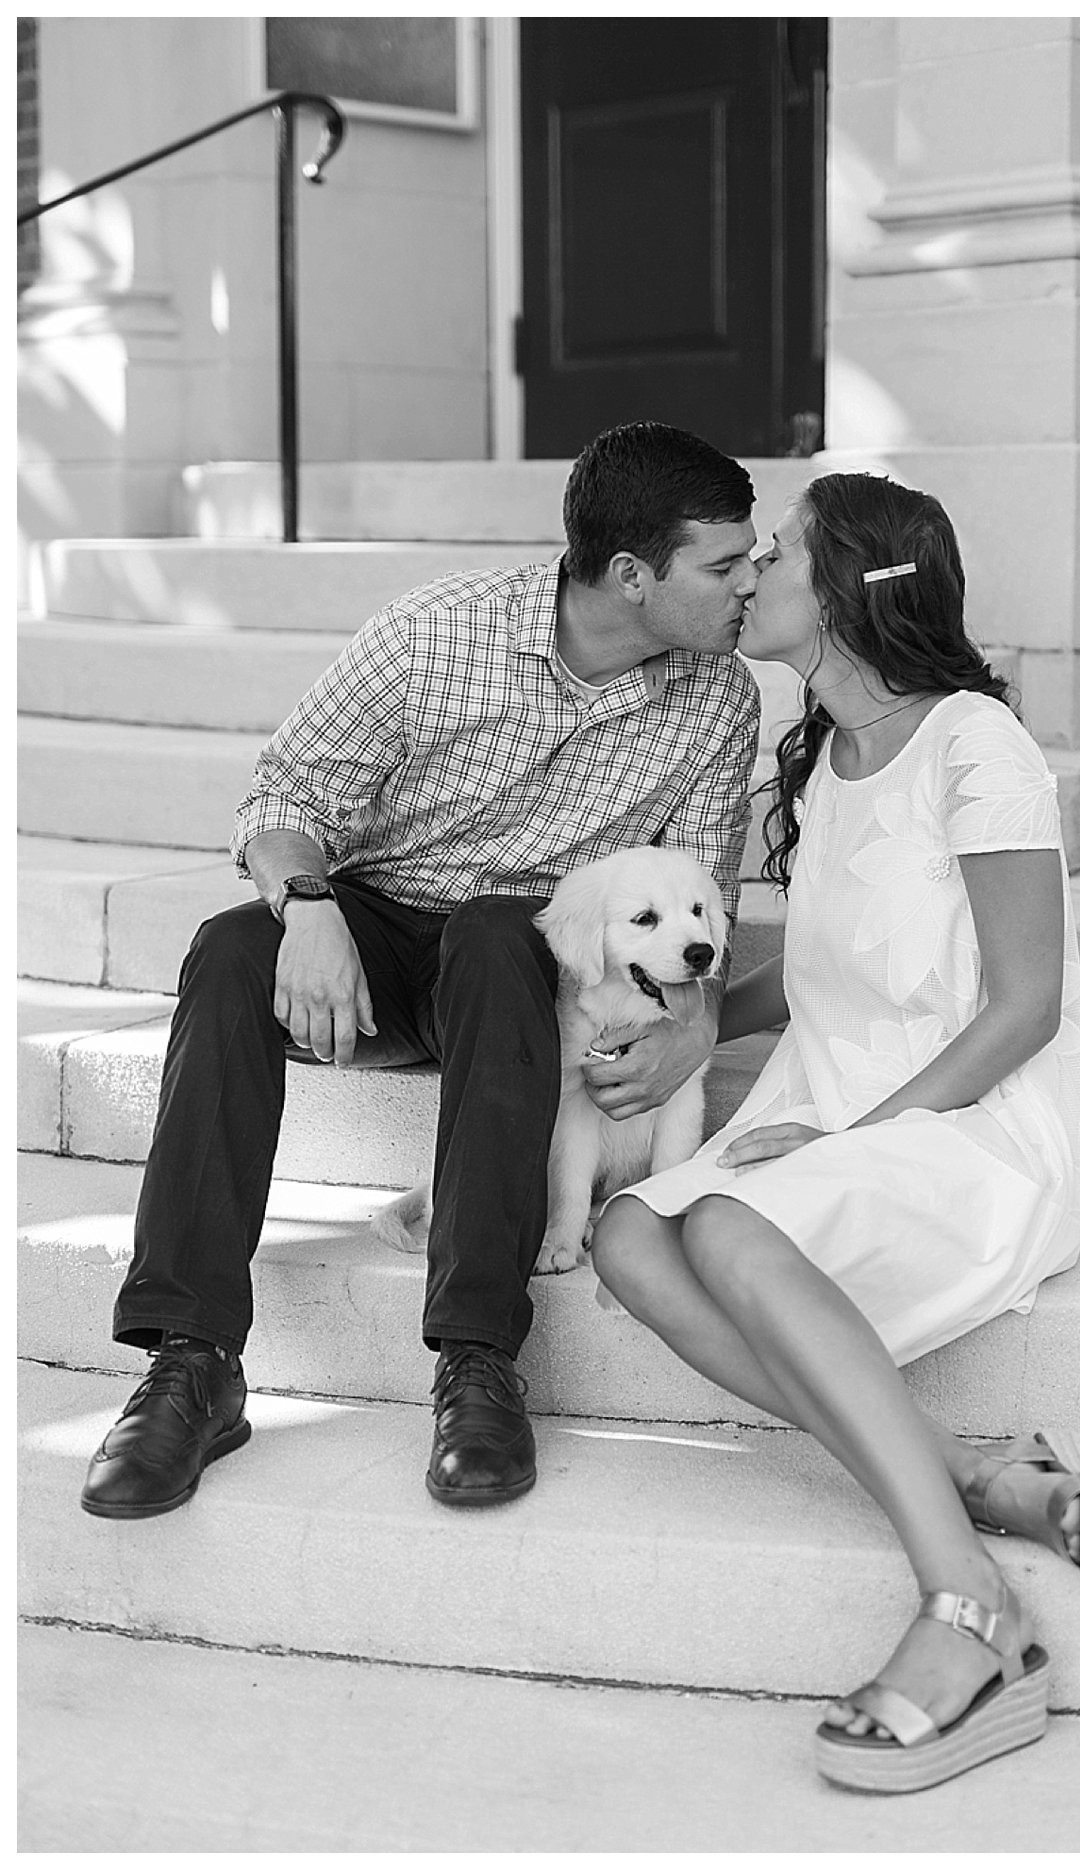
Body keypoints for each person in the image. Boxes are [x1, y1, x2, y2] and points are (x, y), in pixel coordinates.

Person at [80, 422, 763, 1520]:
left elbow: (698, 905)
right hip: (373, 933)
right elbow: (284, 795)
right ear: (633, 576)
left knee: (500, 933)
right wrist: (305, 908)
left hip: (517, 966)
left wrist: (695, 1018)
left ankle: (478, 1358)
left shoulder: (716, 700)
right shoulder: (434, 633)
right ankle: (191, 1357)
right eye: (725, 564)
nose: (750, 584)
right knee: (225, 950)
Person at [590, 472, 1080, 1795]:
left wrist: (849, 1146)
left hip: (977, 1129)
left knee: (724, 1227)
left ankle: (971, 1602)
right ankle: (975, 1470)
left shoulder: (976, 745)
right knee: (629, 1240)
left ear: (840, 595)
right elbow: (826, 973)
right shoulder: (825, 756)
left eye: (778, 554)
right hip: (836, 1109)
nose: (749, 567)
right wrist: (696, 1027)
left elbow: (1026, 1002)